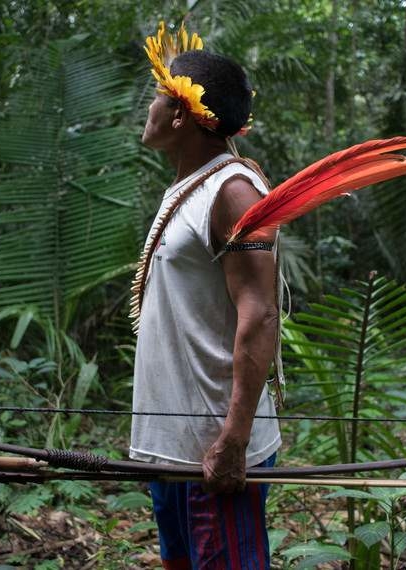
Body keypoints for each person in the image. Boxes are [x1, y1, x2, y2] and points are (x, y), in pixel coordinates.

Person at [129, 22, 282, 570]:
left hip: (212, 452)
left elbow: (260, 314)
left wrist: (234, 440)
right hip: (174, 449)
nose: (146, 108)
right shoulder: (189, 187)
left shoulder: (232, 190)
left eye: (155, 96)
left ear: (178, 113)